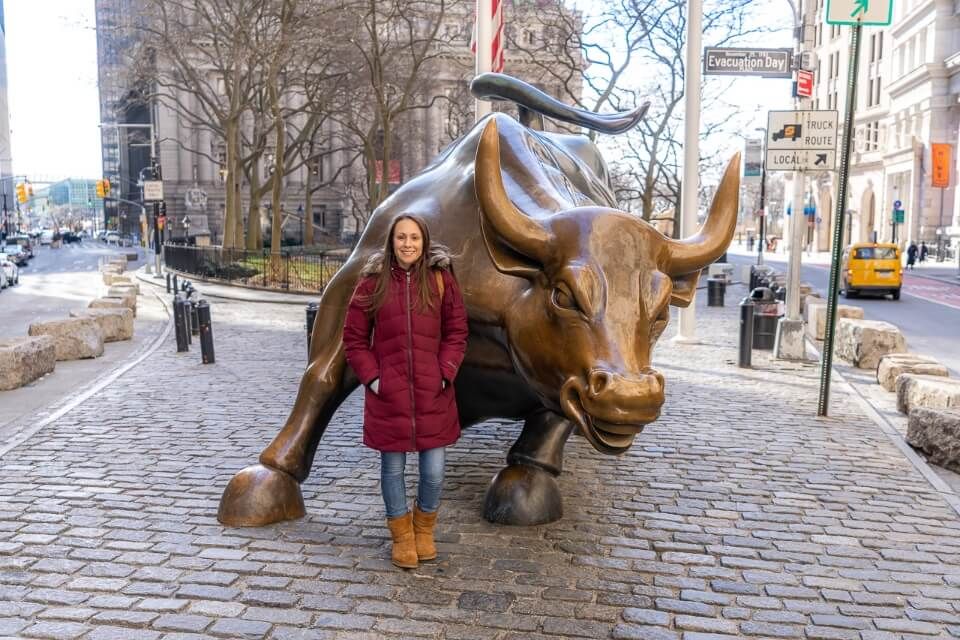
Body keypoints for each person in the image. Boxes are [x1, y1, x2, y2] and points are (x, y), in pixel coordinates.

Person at [342, 214, 468, 569]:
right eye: (401, 237)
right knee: (392, 470)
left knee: (434, 472)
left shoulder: (441, 280)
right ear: (392, 242)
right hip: (389, 395)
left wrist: (444, 374)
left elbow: (457, 332)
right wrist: (374, 380)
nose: (408, 244)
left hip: (433, 394)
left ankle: (424, 529)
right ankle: (402, 536)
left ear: (424, 241)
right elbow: (353, 339)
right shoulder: (371, 282)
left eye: (414, 237)